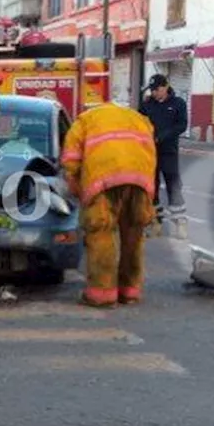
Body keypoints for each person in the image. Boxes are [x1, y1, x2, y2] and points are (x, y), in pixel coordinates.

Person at [61, 101, 158, 307]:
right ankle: (130, 290)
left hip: (102, 181)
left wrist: (75, 184)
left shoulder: (84, 121)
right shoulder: (138, 120)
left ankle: (102, 293)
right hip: (139, 180)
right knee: (134, 235)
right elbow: (150, 151)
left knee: (101, 235)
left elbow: (71, 159)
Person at [140, 73, 189, 239]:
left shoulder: (178, 104)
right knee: (151, 188)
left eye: (157, 89)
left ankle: (180, 224)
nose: (154, 93)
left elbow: (181, 125)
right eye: (152, 90)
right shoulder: (147, 105)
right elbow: (139, 121)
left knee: (173, 186)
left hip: (168, 151)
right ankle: (155, 223)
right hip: (149, 153)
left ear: (165, 87)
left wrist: (163, 136)